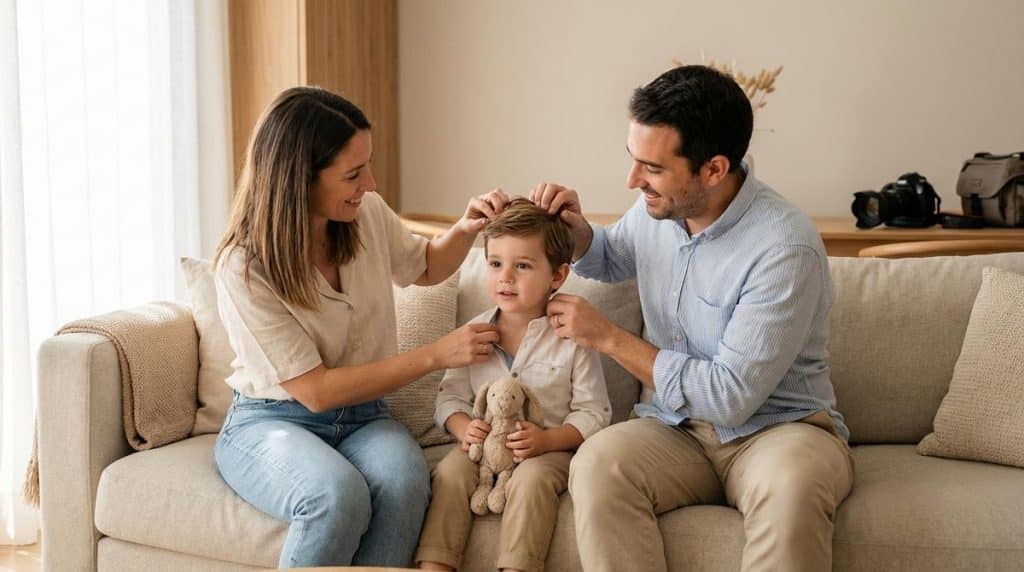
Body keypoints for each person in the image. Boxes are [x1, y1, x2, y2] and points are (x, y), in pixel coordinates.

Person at [531, 66, 855, 572]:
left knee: (793, 486)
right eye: (633, 160)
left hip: (778, 430)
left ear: (714, 169)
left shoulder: (784, 247)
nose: (633, 180)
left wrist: (610, 340)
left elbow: (730, 397)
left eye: (652, 168)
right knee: (598, 464)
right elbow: (615, 255)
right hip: (674, 428)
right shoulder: (659, 209)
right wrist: (576, 233)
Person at [212, 86, 511, 569]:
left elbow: (426, 266)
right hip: (272, 420)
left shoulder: (365, 214)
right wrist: (436, 354)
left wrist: (465, 228)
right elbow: (316, 391)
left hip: (364, 418)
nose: (370, 184)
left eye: (366, 166)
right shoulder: (244, 268)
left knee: (406, 481)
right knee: (335, 495)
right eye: (353, 174)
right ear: (299, 179)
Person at [416, 198, 611, 572]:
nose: (505, 277)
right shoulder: (473, 334)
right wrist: (464, 428)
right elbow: (449, 398)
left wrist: (547, 440)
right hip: (482, 450)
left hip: (549, 452)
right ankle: (435, 566)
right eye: (495, 264)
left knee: (531, 480)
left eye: (522, 266)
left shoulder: (573, 337)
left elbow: (594, 412)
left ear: (557, 276)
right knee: (451, 473)